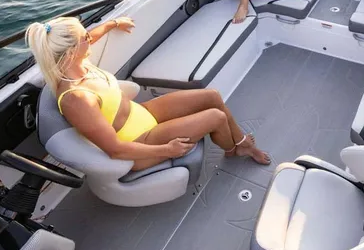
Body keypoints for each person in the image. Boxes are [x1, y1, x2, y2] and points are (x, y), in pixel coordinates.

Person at [25, 16, 270, 170]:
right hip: (138, 144)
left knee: (211, 96)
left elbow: (92, 36)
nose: (90, 38)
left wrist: (112, 24)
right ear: (69, 52)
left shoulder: (77, 63)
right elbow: (115, 150)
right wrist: (167, 150)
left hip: (141, 114)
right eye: (85, 38)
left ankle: (237, 143)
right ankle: (234, 148)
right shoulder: (76, 99)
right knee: (216, 117)